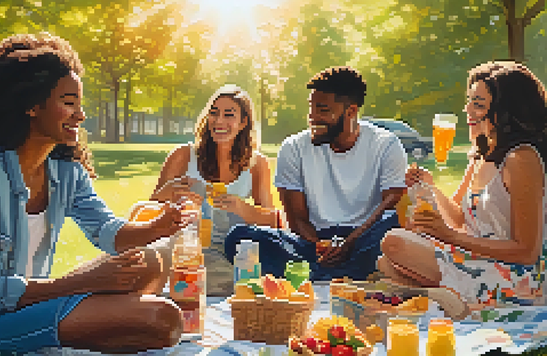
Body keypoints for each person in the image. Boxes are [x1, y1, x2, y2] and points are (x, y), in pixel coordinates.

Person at [0, 33, 185, 354]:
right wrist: (84, 283)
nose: (80, 116)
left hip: (19, 309)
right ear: (31, 105)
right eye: (68, 103)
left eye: (79, 104)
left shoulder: (66, 172)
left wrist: (159, 228)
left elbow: (107, 230)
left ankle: (88, 331)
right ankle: (97, 329)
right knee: (162, 318)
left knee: (151, 261)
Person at [379, 61, 547, 307]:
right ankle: (448, 300)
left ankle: (451, 301)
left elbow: (526, 251)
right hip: (478, 259)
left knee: (394, 244)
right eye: (469, 100)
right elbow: (459, 219)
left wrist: (447, 236)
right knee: (387, 261)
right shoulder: (481, 153)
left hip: (517, 275)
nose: (467, 109)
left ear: (506, 110)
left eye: (478, 104)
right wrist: (430, 186)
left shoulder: (521, 159)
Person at [225, 66, 407, 281]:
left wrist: (350, 243)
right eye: (311, 108)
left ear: (350, 111)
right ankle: (343, 275)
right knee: (239, 238)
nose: (312, 117)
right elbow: (296, 219)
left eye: (322, 110)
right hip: (312, 244)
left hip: (364, 240)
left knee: (397, 226)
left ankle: (315, 276)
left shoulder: (385, 144)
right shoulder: (293, 148)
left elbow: (391, 204)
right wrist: (321, 247)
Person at [149, 84, 279, 295]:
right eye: (214, 113)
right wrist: (167, 194)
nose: (219, 121)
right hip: (186, 247)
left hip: (230, 251)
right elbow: (148, 214)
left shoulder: (256, 164)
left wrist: (241, 208)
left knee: (238, 280)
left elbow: (273, 221)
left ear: (243, 122)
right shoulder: (184, 156)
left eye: (229, 115)